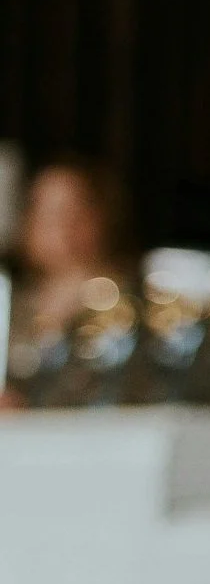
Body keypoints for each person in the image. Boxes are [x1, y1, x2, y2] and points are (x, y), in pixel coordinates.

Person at [2, 157, 133, 410]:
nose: (63, 227)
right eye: (49, 214)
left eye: (75, 212)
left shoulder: (128, 303)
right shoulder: (12, 304)